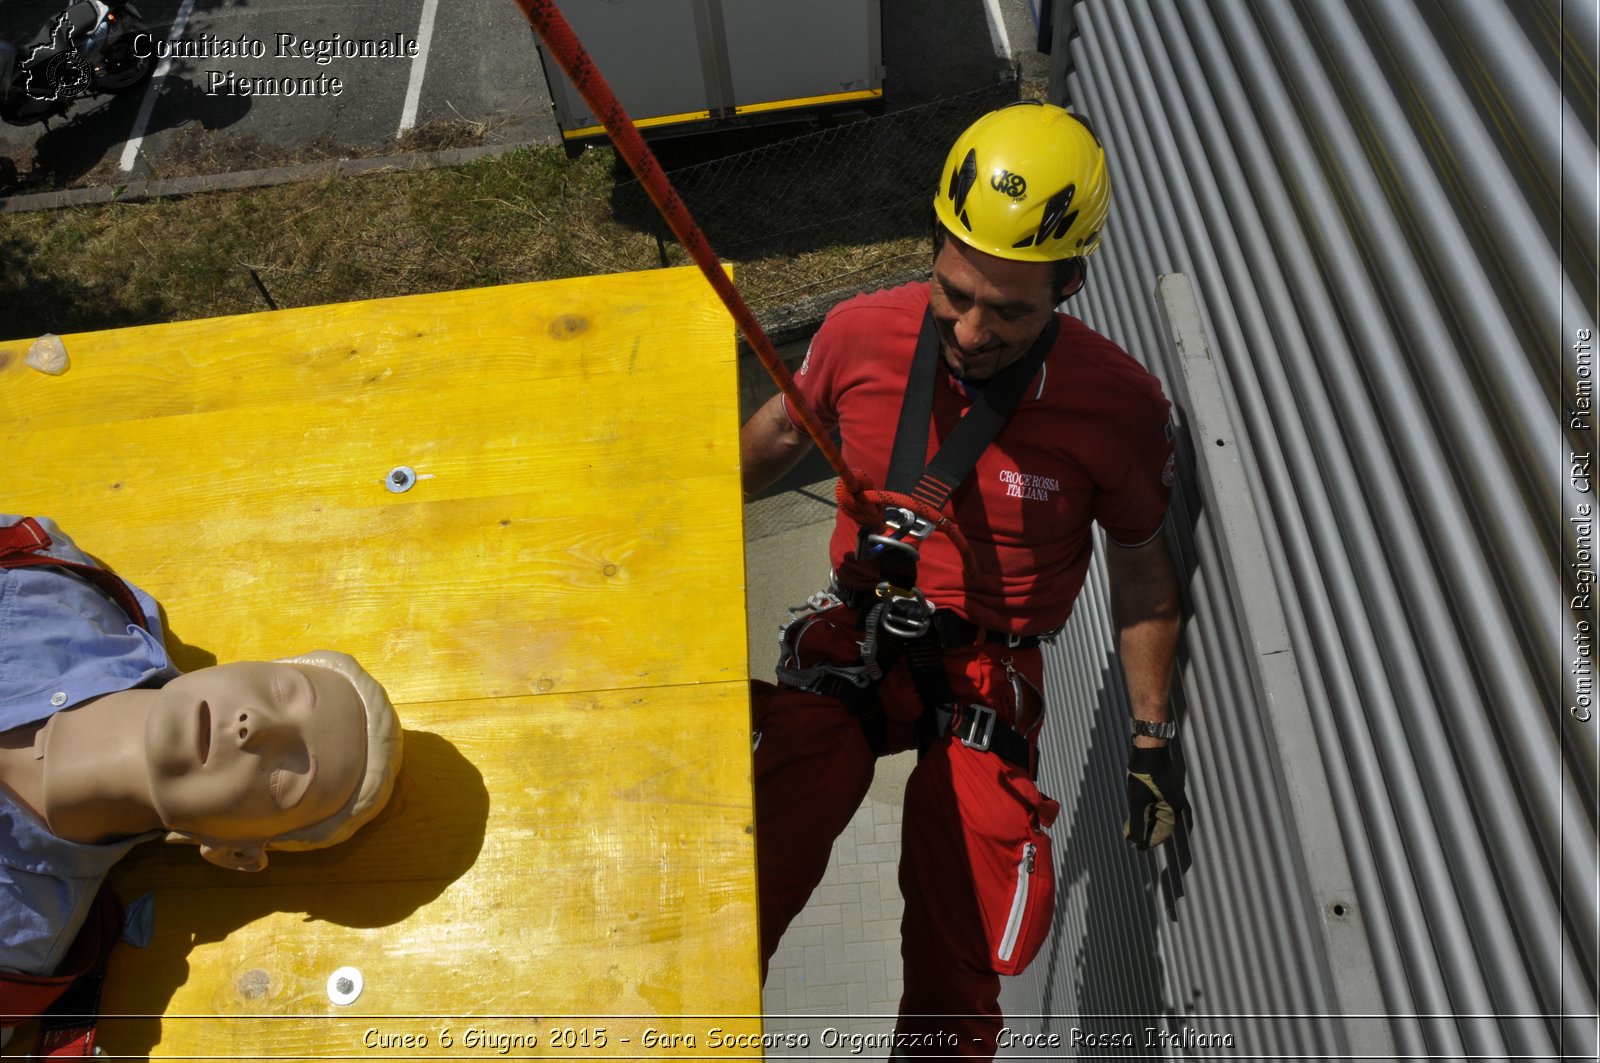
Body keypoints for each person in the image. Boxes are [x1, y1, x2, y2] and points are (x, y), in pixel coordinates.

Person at [739, 101, 1189, 1057]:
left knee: (960, 960)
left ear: (1071, 283)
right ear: (934, 247)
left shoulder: (1118, 405)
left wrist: (1151, 737)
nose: (974, 330)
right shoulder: (861, 335)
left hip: (987, 672)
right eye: (953, 292)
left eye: (1012, 310)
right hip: (864, 635)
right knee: (743, 867)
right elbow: (779, 432)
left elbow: (1144, 564)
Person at [0, 514, 402, 995]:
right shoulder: (42, 582)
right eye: (280, 691)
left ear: (233, 852)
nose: (255, 726)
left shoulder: (13, 953)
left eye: (285, 777)